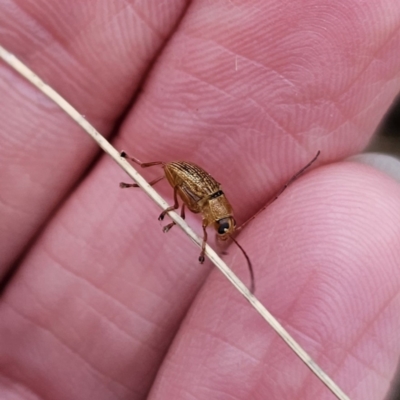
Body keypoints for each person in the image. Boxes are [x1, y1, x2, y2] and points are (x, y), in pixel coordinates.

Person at [0, 1, 399, 399]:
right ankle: (140, 172)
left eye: (224, 228)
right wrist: (179, 215)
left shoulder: (218, 212)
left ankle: (144, 177)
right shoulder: (210, 210)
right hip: (187, 178)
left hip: (192, 183)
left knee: (177, 196)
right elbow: (183, 185)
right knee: (172, 190)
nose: (223, 229)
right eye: (223, 227)